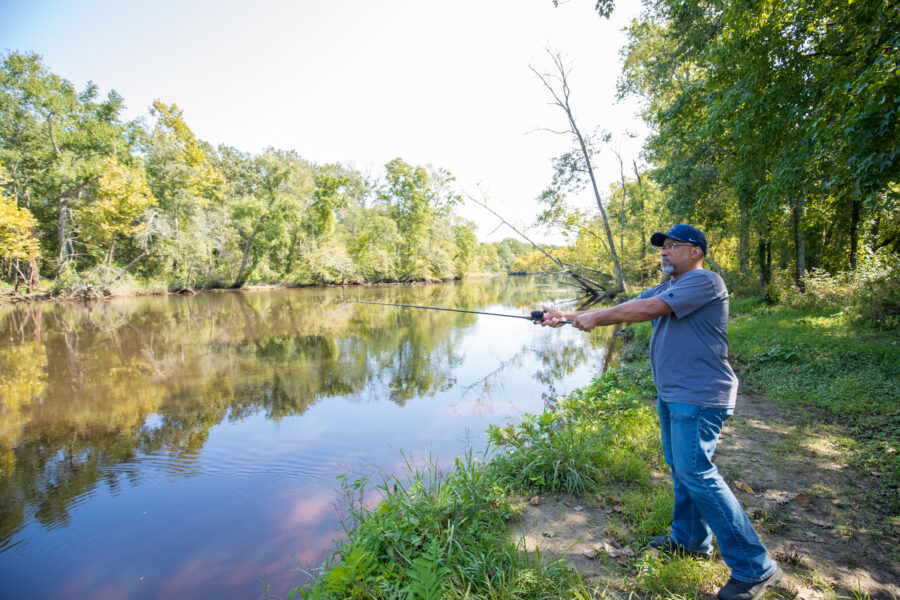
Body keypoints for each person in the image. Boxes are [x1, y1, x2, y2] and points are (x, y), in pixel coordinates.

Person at [540, 224, 782, 600]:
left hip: (700, 395)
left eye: (673, 246)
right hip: (673, 393)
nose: (664, 253)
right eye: (662, 248)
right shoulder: (666, 286)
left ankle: (755, 567)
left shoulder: (705, 281)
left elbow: (647, 310)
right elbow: (627, 305)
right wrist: (565, 316)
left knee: (697, 472)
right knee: (681, 468)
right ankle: (689, 540)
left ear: (697, 252)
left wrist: (596, 318)